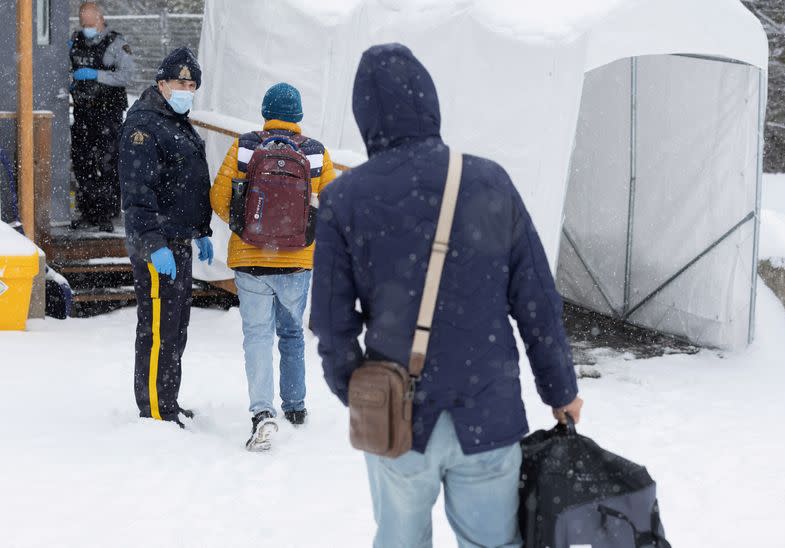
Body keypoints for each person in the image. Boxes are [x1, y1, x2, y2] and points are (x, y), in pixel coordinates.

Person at [311, 43, 583, 547]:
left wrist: (358, 392)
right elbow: (537, 300)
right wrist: (560, 388)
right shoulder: (489, 181)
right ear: (429, 101)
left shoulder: (343, 198)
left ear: (365, 114)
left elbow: (330, 322)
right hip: (489, 408)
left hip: (396, 416)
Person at [210, 83, 336, 451]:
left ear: (266, 111)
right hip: (297, 263)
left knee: (258, 336)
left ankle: (262, 412)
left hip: (251, 260)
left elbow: (219, 196)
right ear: (298, 116)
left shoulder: (246, 145)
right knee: (293, 333)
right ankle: (295, 407)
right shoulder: (315, 152)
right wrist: (304, 235)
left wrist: (245, 227)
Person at [118, 47, 214, 428]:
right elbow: (137, 193)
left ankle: (167, 399)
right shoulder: (144, 126)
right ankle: (156, 409)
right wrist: (154, 243)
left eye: (192, 84)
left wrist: (201, 230)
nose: (186, 88)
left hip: (179, 240)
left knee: (175, 326)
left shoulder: (176, 121)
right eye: (180, 82)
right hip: (156, 242)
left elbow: (187, 184)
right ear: (161, 84)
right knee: (159, 329)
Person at [70, 2, 135, 232]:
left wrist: (96, 75)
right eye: (82, 23)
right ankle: (88, 211)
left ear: (100, 19)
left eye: (89, 23)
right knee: (83, 162)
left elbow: (127, 75)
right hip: (82, 113)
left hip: (108, 114)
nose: (86, 27)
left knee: (107, 164)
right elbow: (66, 68)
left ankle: (106, 213)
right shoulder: (75, 41)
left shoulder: (116, 43)